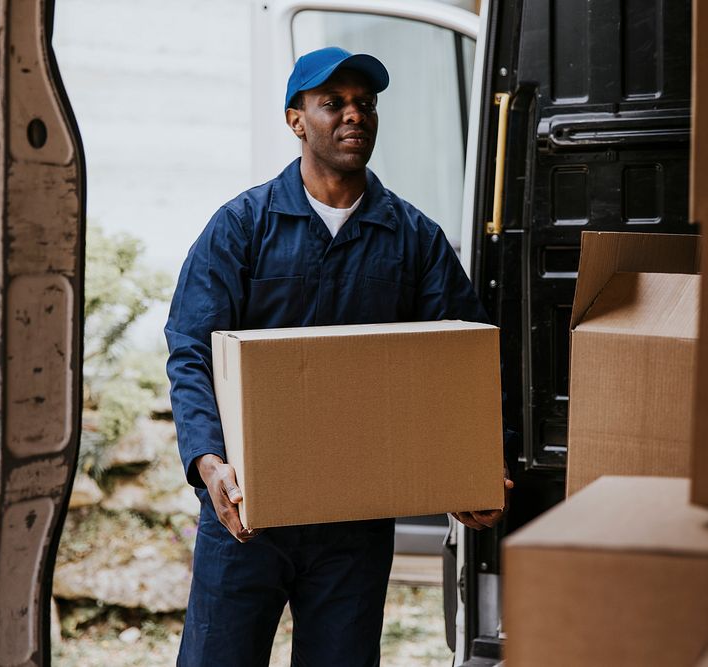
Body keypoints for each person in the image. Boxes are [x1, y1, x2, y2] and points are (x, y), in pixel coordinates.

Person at [165, 46, 512, 667]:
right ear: (297, 120)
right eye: (334, 103)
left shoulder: (413, 238)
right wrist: (210, 465)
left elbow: (458, 361)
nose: (355, 115)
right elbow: (191, 351)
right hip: (248, 514)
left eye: (365, 104)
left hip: (354, 519)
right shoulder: (242, 227)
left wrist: (468, 466)